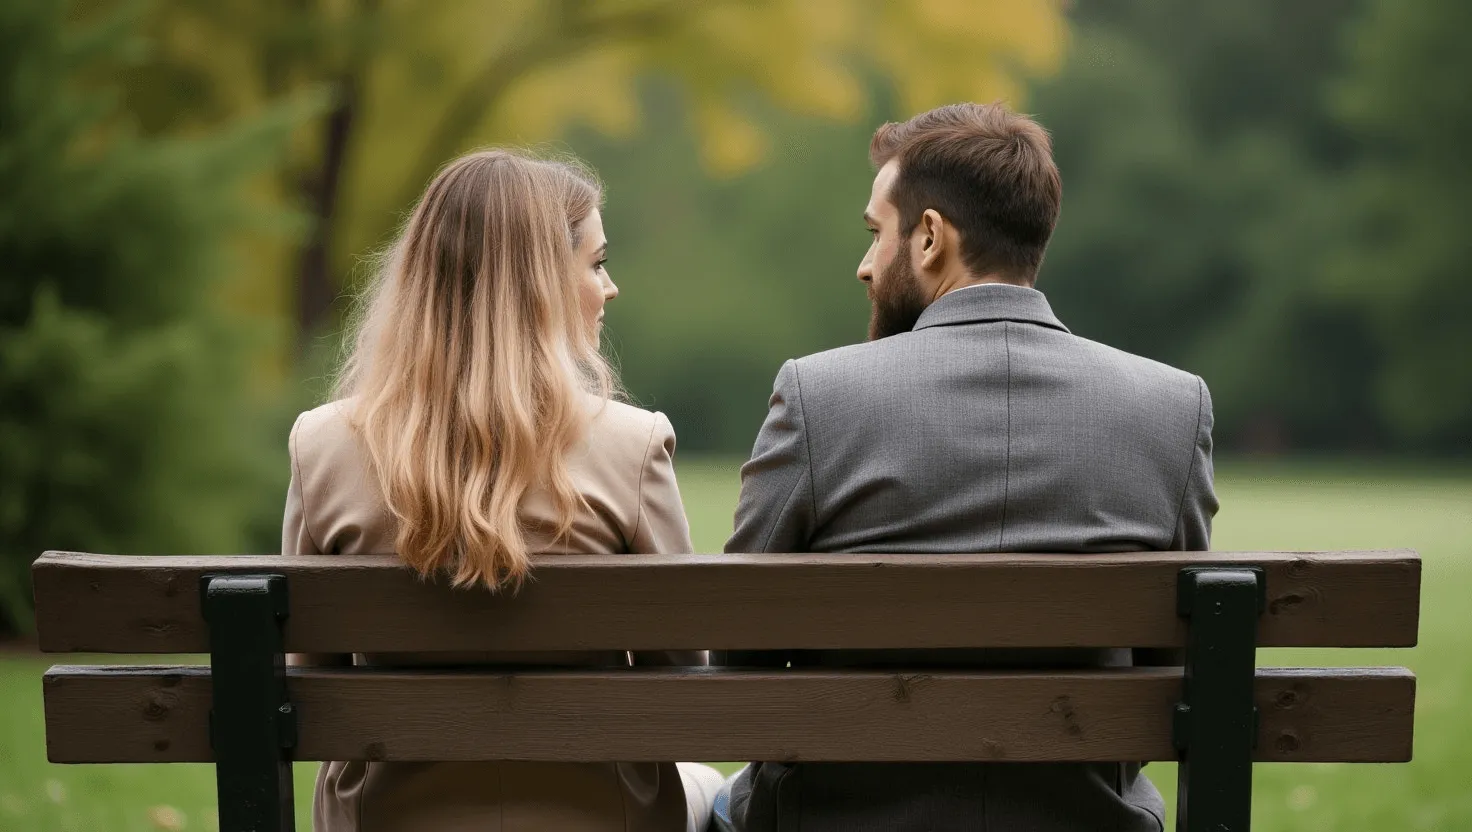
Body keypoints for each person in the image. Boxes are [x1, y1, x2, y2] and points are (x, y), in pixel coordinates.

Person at [715, 103, 1218, 832]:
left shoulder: (817, 395)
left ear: (928, 237)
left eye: (873, 233)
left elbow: (738, 665)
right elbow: (1170, 667)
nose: (864, 263)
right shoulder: (1173, 408)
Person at [281, 149, 723, 832]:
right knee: (708, 788)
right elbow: (684, 681)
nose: (610, 288)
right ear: (541, 283)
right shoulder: (632, 447)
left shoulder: (323, 446)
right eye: (597, 263)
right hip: (597, 816)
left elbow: (310, 678)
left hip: (388, 819)